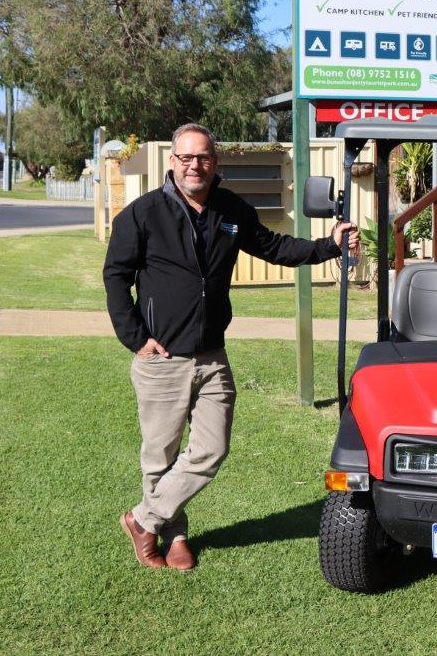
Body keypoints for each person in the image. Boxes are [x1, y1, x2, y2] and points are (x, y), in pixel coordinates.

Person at [104, 122, 358, 570]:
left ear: (214, 162)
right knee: (160, 457)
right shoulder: (142, 214)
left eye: (202, 157)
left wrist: (327, 247)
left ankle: (143, 519)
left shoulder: (230, 209)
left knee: (211, 449)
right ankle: (173, 536)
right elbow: (115, 276)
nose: (194, 166)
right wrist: (135, 338)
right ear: (172, 162)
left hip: (212, 356)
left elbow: (274, 247)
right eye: (185, 157)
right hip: (161, 359)